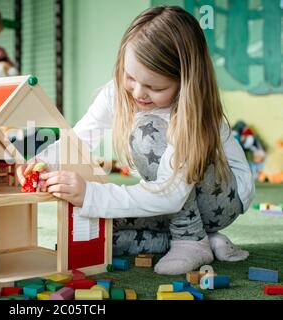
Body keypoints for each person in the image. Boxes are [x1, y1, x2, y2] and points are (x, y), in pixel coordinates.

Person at [17, 6, 254, 275]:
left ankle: (190, 240)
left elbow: (171, 194)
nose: (138, 93)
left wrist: (90, 193)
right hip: (174, 198)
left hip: (220, 199)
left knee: (148, 133)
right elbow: (80, 139)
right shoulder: (118, 93)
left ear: (183, 82)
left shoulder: (190, 113)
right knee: (102, 230)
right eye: (131, 77)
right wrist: (41, 161)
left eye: (156, 87)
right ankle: (206, 241)